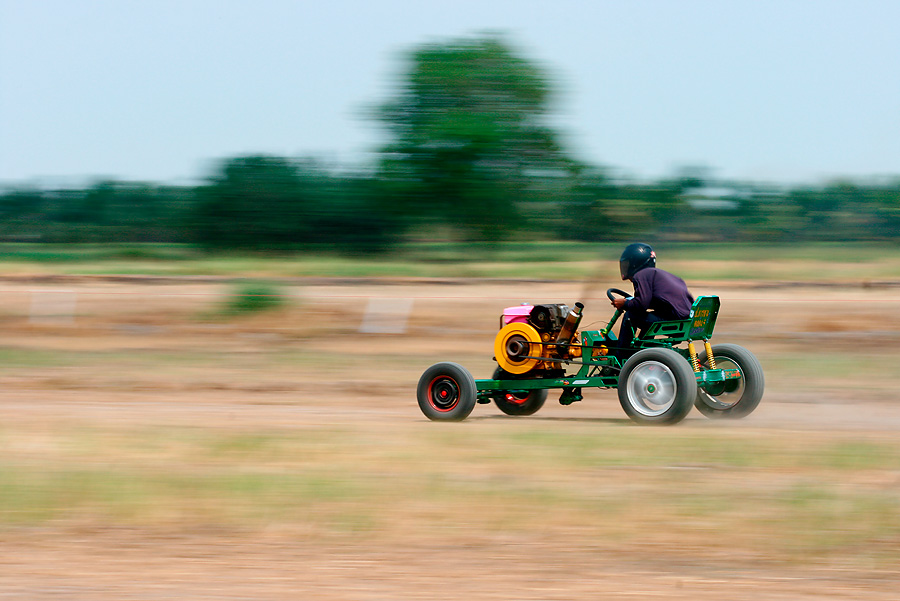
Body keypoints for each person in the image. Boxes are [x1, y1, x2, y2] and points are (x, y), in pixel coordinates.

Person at [611, 243, 694, 342]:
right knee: (647, 316)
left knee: (630, 315)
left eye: (627, 264)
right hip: (687, 322)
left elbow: (641, 304)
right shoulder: (663, 275)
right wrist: (631, 302)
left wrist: (625, 303)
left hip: (676, 323)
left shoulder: (641, 275)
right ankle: (641, 349)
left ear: (635, 263)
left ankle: (621, 354)